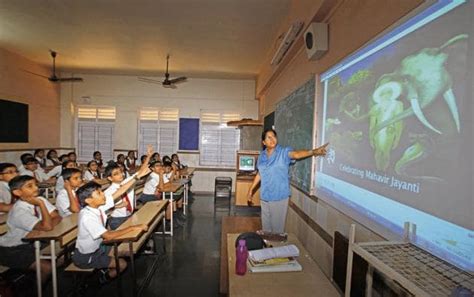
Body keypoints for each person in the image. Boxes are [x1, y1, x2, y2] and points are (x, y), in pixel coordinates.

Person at [246, 129, 328, 234]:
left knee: (277, 231)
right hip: (265, 196)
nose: (272, 139)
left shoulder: (283, 152)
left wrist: (313, 151)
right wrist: (250, 190)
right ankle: (267, 248)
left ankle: (276, 249)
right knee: (266, 229)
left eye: (274, 136)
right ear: (263, 142)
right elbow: (260, 173)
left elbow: (296, 154)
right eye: (269, 137)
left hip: (279, 196)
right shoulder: (261, 156)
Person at [72, 181, 148, 284]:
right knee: (122, 264)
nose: (103, 194)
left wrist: (136, 177)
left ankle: (104, 268)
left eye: (101, 191)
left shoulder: (97, 207)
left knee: (121, 250)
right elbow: (108, 236)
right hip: (87, 256)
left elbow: (120, 190)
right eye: (99, 193)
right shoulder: (87, 217)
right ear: (89, 200)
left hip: (99, 248)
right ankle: (98, 282)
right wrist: (132, 227)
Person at [0, 175, 61, 281]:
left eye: (35, 185)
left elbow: (57, 216)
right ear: (17, 192)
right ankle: (36, 291)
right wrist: (41, 205)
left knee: (61, 256)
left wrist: (42, 228)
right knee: (47, 268)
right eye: (30, 186)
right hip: (12, 249)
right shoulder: (19, 211)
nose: (36, 188)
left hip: (32, 243)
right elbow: (47, 226)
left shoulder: (39, 198)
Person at [104, 146, 153, 230]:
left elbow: (140, 172)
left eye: (121, 172)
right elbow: (103, 208)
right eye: (116, 174)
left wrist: (148, 156)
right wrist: (116, 206)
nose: (121, 175)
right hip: (116, 219)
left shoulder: (127, 182)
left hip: (130, 215)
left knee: (144, 228)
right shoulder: (108, 191)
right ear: (110, 178)